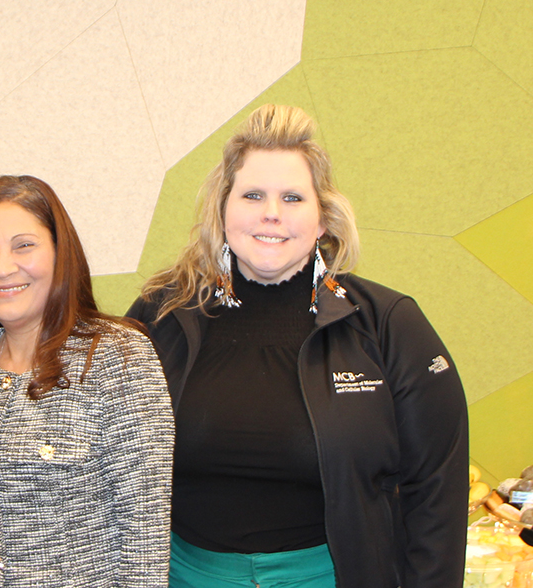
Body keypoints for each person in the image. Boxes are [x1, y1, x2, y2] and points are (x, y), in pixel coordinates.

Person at [127, 104, 468, 588]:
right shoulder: (160, 317)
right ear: (223, 210)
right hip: (183, 576)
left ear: (322, 218)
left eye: (292, 197)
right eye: (252, 195)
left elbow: (436, 488)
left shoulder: (389, 325)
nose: (271, 213)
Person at [0, 175, 174, 588]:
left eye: (24, 245)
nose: (2, 267)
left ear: (61, 253)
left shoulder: (120, 357)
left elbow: (143, 532)